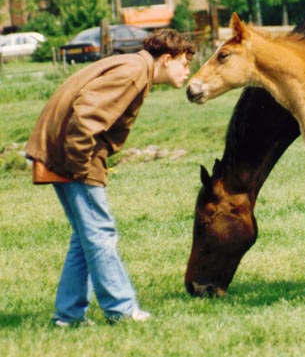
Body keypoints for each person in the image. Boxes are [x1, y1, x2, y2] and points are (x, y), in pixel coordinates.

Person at [25, 29, 195, 327]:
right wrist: (79, 168)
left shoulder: (134, 66)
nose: (188, 70)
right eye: (185, 63)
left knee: (86, 237)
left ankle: (68, 316)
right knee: (100, 234)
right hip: (75, 156)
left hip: (67, 153)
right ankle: (121, 309)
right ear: (167, 59)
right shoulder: (133, 73)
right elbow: (86, 117)